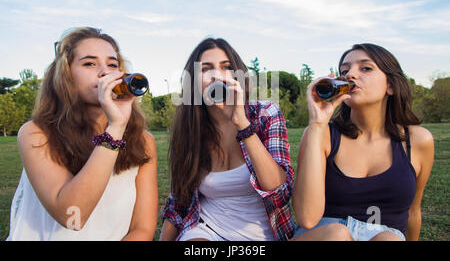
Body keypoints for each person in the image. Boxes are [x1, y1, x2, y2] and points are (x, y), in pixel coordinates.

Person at [7, 27, 158, 241]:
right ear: (66, 74)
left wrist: (119, 123)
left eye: (113, 65)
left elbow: (142, 228)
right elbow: (72, 215)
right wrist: (115, 129)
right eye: (89, 63)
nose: (105, 72)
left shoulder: (143, 141)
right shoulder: (36, 133)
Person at [291, 43, 434, 241]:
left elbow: (413, 210)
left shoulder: (418, 141)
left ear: (391, 85)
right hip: (324, 234)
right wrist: (316, 124)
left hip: (385, 235)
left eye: (365, 68)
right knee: (337, 235)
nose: (350, 74)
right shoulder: (321, 134)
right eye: (344, 70)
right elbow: (306, 218)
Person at [159, 38, 295, 241]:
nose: (217, 76)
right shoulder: (189, 128)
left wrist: (242, 124)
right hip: (208, 230)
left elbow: (278, 192)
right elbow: (178, 201)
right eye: (206, 69)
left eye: (226, 67)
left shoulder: (265, 113)